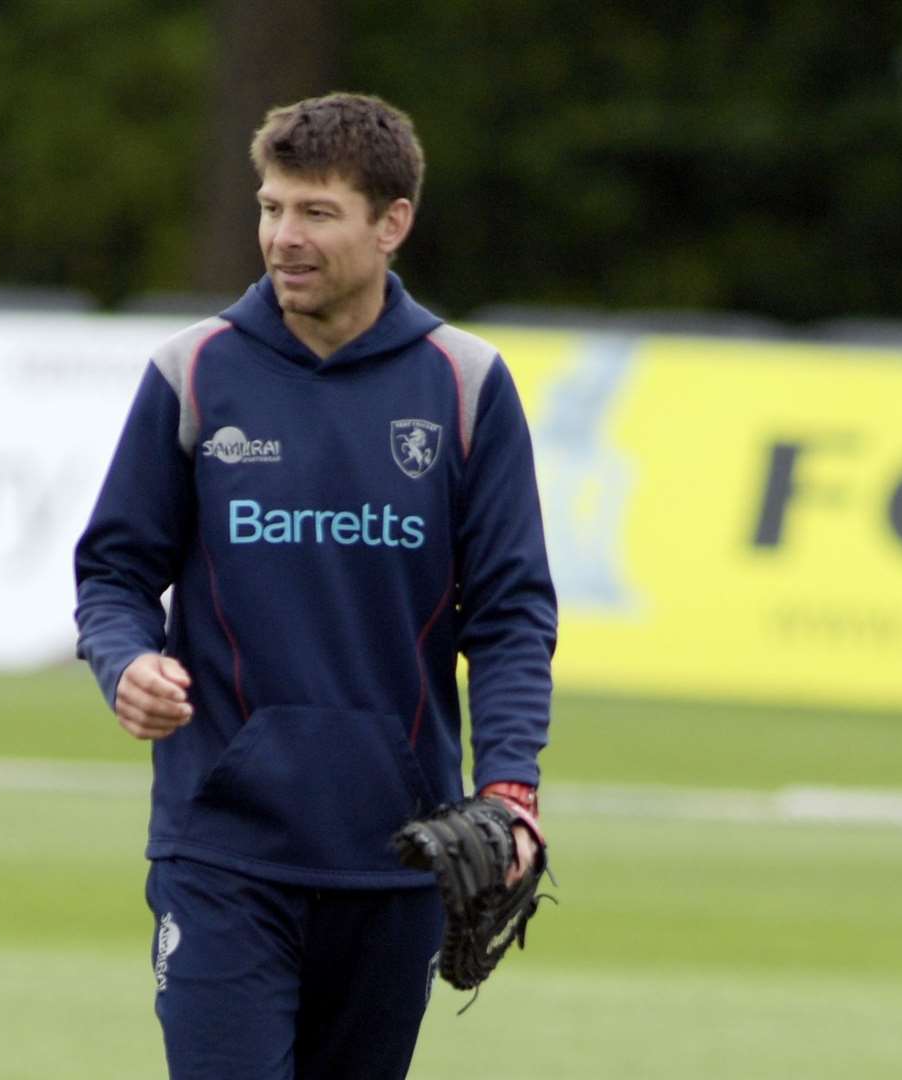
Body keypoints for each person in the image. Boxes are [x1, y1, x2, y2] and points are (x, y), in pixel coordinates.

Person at [73, 92, 557, 1080]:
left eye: (314, 213)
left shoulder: (464, 386)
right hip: (222, 848)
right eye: (269, 208)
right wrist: (125, 663)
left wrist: (510, 788)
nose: (281, 238)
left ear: (392, 223)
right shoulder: (195, 372)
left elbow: (508, 617)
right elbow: (114, 570)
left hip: (398, 855)